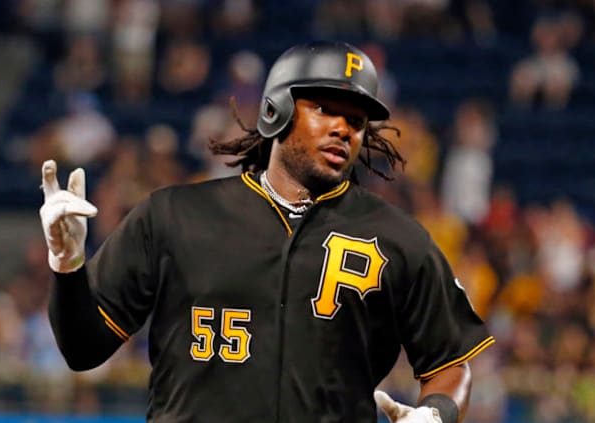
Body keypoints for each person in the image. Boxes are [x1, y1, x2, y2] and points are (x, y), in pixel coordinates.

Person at [39, 40, 494, 422]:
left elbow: (452, 364)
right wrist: (68, 266)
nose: (343, 129)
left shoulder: (399, 238)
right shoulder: (175, 214)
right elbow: (83, 349)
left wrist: (434, 414)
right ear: (276, 109)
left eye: (356, 121)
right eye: (324, 109)